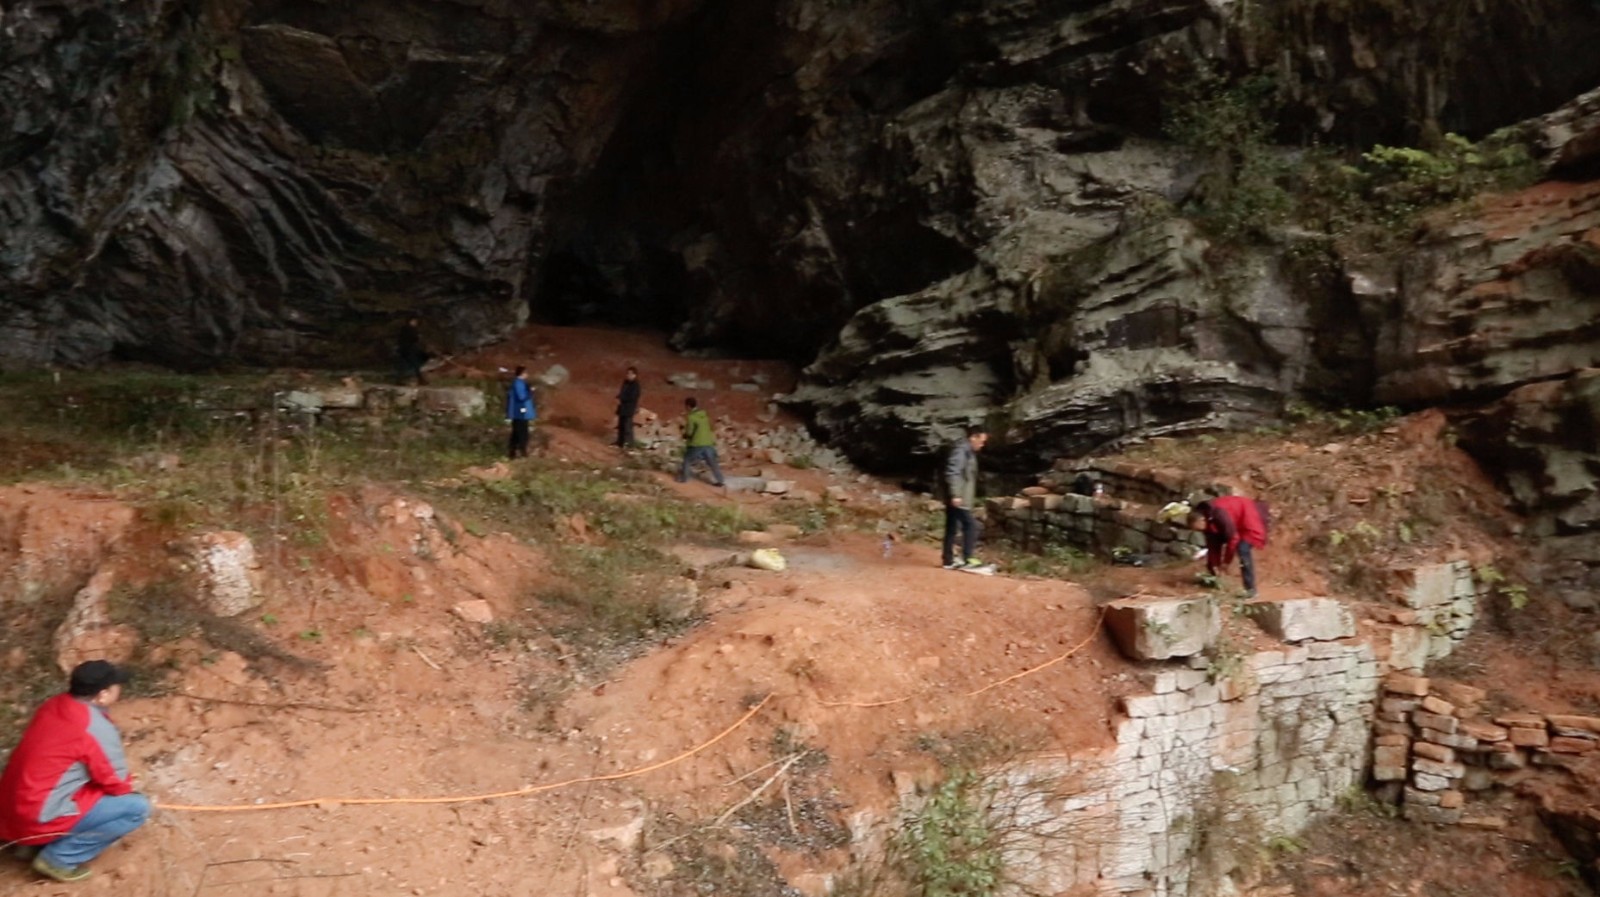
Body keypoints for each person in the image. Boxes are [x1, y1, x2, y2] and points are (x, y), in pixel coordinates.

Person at [0, 661, 149, 883]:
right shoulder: (93, 727)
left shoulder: (53, 705)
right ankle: (58, 859)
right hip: (36, 816)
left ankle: (29, 844)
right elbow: (117, 784)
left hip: (11, 809)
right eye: (116, 686)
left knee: (82, 786)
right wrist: (127, 785)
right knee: (136, 808)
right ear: (103, 695)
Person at [1188, 495, 1271, 597]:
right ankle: (1215, 584)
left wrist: (1226, 562)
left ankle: (1250, 589)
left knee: (1243, 549)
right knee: (1216, 552)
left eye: (1198, 529)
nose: (1199, 531)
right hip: (1235, 522)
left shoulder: (1218, 514)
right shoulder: (1208, 522)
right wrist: (1214, 565)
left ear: (1202, 520)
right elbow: (1213, 546)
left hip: (1248, 518)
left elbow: (1233, 538)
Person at [940, 425, 989, 570]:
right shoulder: (961, 451)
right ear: (973, 437)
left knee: (952, 527)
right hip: (958, 497)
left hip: (957, 496)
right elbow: (953, 472)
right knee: (971, 526)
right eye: (981, 440)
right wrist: (956, 494)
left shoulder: (967, 451)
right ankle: (968, 558)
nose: (982, 444)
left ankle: (948, 560)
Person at [676, 397, 724, 486]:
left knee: (687, 460)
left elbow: (690, 432)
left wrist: (685, 435)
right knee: (712, 462)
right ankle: (720, 481)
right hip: (708, 442)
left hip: (696, 443)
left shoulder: (691, 417)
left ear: (688, 406)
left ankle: (684, 478)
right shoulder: (704, 415)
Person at [506, 366, 536, 459]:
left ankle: (513, 453)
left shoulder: (519, 383)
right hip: (521, 411)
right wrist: (530, 392)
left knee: (516, 432)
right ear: (522, 373)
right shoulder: (519, 383)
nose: (527, 374)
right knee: (522, 432)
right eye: (526, 373)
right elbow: (521, 397)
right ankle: (522, 452)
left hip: (518, 412)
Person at [396, 317, 430, 385]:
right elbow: (415, 338)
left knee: (403, 365)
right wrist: (418, 337)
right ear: (411, 321)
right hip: (410, 349)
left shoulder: (403, 329)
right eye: (415, 321)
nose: (416, 323)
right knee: (416, 364)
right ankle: (421, 380)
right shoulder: (412, 329)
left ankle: (399, 380)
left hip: (402, 349)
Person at [615, 366, 641, 449]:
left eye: (630, 374)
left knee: (628, 427)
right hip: (622, 407)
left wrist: (622, 398)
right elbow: (622, 392)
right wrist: (618, 397)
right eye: (627, 373)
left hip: (629, 408)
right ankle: (620, 443)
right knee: (621, 425)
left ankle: (630, 445)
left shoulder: (636, 385)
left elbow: (633, 397)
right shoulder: (625, 383)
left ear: (634, 375)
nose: (628, 375)